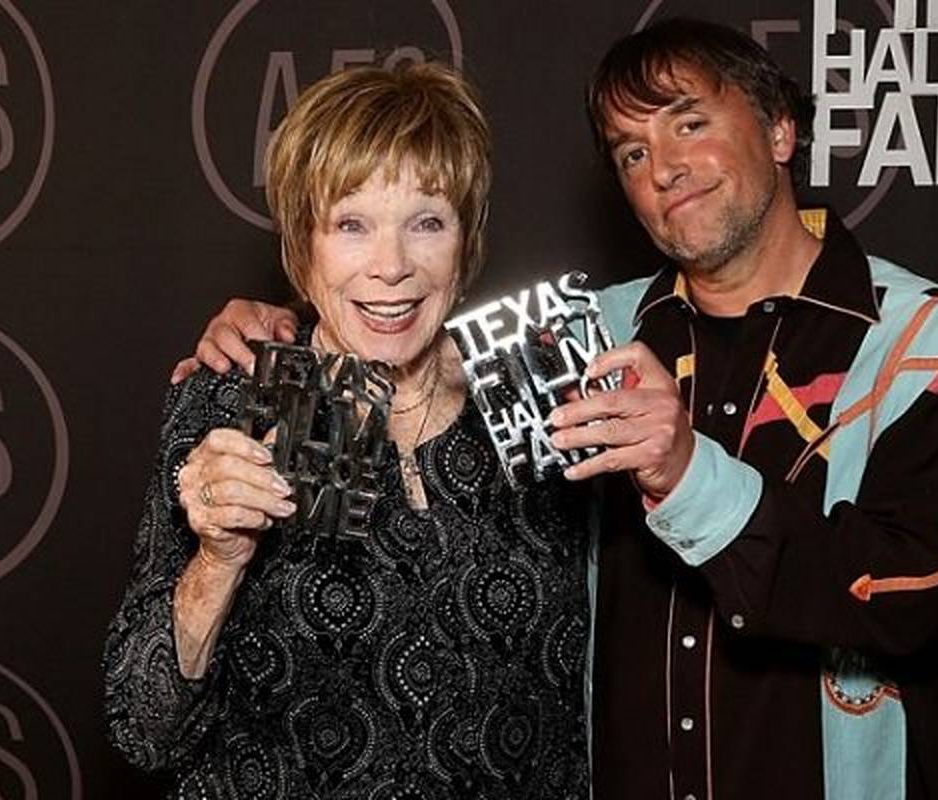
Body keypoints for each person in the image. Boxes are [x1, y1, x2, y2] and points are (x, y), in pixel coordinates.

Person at [185, 19, 938, 799]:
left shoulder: (924, 342)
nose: (664, 168)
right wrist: (278, 328)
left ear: (781, 130)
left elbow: (919, 594)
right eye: (631, 152)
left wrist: (689, 473)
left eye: (690, 124)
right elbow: (399, 331)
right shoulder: (586, 334)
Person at [104, 63, 591, 799]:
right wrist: (218, 560)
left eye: (427, 222)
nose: (392, 267)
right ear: (303, 248)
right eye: (351, 225)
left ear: (466, 243)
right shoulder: (231, 402)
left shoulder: (538, 388)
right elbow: (142, 730)